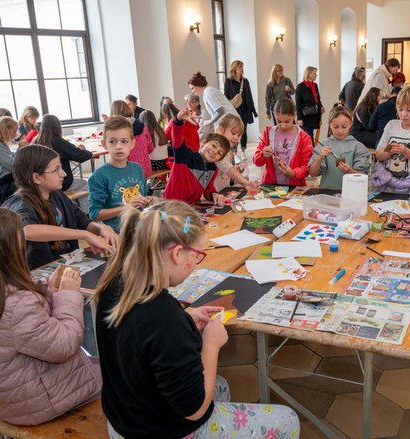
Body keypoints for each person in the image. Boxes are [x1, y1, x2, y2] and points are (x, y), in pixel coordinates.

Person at [93, 200, 300, 439]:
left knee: (219, 385)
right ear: (178, 253)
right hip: (161, 430)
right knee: (287, 420)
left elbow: (142, 341)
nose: (196, 263)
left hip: (126, 419)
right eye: (197, 256)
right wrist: (211, 345)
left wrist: (186, 319)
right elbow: (194, 409)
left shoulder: (116, 285)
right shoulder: (164, 317)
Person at [0, 206, 102, 425]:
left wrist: (46, 290)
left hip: (1, 395)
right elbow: (65, 345)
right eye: (19, 239)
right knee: (121, 372)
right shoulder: (17, 304)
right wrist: (68, 296)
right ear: (4, 249)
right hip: (36, 402)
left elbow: (18, 322)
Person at [3, 144, 116, 269]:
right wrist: (84, 235)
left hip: (64, 268)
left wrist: (101, 229)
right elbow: (28, 230)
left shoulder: (57, 194)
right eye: (56, 169)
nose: (63, 174)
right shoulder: (19, 203)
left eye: (61, 167)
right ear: (36, 177)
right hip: (37, 275)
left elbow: (83, 221)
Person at [89, 116, 155, 233]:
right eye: (112, 142)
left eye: (124, 141)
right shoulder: (99, 176)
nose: (119, 146)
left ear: (132, 143)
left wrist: (149, 200)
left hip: (141, 228)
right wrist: (126, 208)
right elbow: (95, 214)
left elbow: (142, 197)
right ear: (104, 144)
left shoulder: (137, 168)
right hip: (118, 234)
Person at [163, 108, 230, 205]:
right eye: (213, 145)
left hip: (191, 208)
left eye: (219, 153)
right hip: (170, 206)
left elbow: (208, 188)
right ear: (203, 142)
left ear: (220, 158)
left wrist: (214, 194)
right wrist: (178, 120)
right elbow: (177, 138)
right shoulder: (185, 156)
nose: (215, 152)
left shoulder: (213, 169)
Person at [307, 105, 371, 189]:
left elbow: (362, 175)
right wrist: (320, 158)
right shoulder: (323, 146)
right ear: (330, 125)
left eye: (344, 127)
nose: (340, 131)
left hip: (351, 194)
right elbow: (312, 173)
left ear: (350, 124)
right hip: (327, 194)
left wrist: (350, 171)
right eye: (336, 127)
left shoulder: (357, 147)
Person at [254, 97, 313, 187]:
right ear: (274, 116)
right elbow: (256, 161)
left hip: (294, 187)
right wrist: (262, 155)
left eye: (287, 121)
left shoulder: (304, 138)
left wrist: (293, 173)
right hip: (271, 185)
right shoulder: (268, 134)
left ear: (294, 115)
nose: (283, 125)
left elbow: (307, 166)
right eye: (278, 121)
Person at [33, 114, 93, 195]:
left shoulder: (35, 141)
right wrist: (84, 151)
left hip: (41, 183)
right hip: (60, 182)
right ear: (57, 127)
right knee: (85, 184)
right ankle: (83, 208)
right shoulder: (58, 141)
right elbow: (80, 156)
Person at [213, 114, 259, 192]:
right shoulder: (217, 150)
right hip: (214, 193)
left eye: (238, 135)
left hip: (224, 191)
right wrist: (246, 182)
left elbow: (226, 171)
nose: (236, 138)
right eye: (233, 133)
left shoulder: (227, 150)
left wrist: (237, 169)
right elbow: (226, 167)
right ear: (221, 130)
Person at [110, 100, 153, 178]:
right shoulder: (141, 124)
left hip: (128, 170)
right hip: (145, 168)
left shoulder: (117, 129)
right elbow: (150, 148)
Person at [224, 60, 258, 157]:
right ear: (234, 69)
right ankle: (234, 152)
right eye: (240, 67)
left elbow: (249, 97)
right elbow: (226, 97)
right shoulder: (228, 81)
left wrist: (254, 111)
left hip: (245, 110)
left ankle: (243, 150)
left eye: (242, 67)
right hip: (234, 111)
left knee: (243, 130)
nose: (242, 69)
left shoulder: (245, 81)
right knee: (234, 131)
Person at [295, 66, 324, 141]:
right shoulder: (300, 87)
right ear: (309, 74)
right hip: (305, 116)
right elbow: (298, 104)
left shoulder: (315, 85)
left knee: (311, 135)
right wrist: (299, 118)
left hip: (314, 115)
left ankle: (311, 150)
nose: (316, 75)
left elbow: (318, 99)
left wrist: (321, 107)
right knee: (309, 137)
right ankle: (310, 150)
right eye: (314, 73)